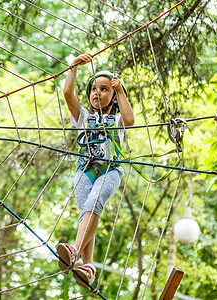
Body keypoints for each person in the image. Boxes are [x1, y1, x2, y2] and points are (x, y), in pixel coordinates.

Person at [57, 53, 134, 288]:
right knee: (87, 212)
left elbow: (130, 120)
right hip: (85, 169)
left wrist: (120, 90)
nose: (96, 93)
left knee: (95, 203)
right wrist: (73, 67)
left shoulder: (117, 119)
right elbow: (68, 93)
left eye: (103, 89)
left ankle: (75, 251)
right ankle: (87, 267)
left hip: (110, 170)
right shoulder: (83, 117)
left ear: (112, 97)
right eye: (93, 89)